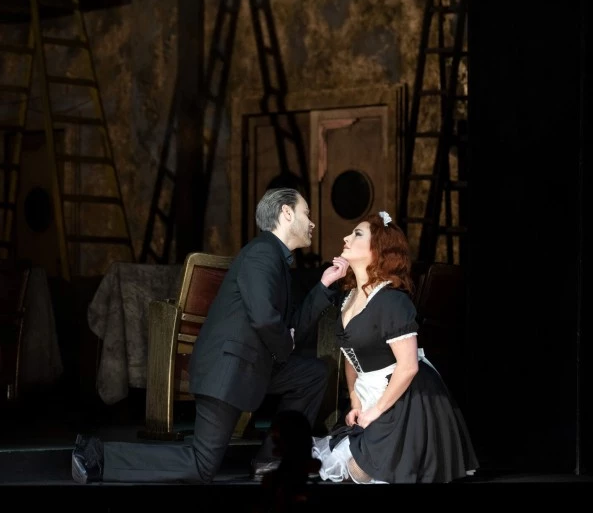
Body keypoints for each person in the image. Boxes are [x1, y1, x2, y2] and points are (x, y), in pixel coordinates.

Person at [72, 187, 349, 484]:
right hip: (227, 369)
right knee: (202, 465)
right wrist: (287, 342)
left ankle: (271, 459)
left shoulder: (276, 260)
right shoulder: (262, 253)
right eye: (307, 213)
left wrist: (323, 286)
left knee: (312, 374)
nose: (312, 222)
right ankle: (99, 457)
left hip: (251, 366)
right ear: (287, 212)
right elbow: (265, 319)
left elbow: (288, 325)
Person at [311, 210, 479, 483]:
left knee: (364, 470)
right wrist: (355, 401)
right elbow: (351, 358)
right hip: (369, 394)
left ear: (377, 250)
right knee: (343, 465)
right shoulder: (349, 298)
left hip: (404, 398)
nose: (346, 238)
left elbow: (408, 366)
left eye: (357, 234)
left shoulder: (391, 301)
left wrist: (375, 411)